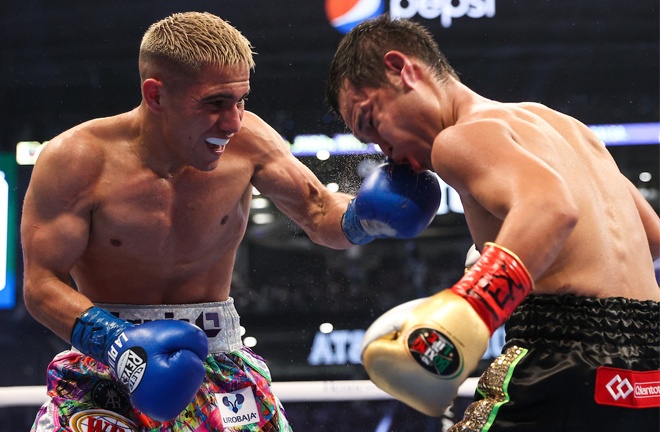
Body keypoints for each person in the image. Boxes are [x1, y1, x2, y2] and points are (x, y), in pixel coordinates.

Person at [21, 11, 442, 432]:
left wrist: (363, 216)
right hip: (105, 363)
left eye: (240, 100)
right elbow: (41, 285)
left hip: (218, 360)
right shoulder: (77, 160)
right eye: (214, 103)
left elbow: (319, 212)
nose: (233, 121)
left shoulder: (249, 142)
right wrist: (117, 343)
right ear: (155, 95)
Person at [327, 15, 660, 432]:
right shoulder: (565, 127)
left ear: (402, 69)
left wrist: (471, 304)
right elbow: (651, 235)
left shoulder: (457, 139)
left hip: (559, 363)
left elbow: (551, 208)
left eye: (372, 123)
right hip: (648, 373)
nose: (387, 152)